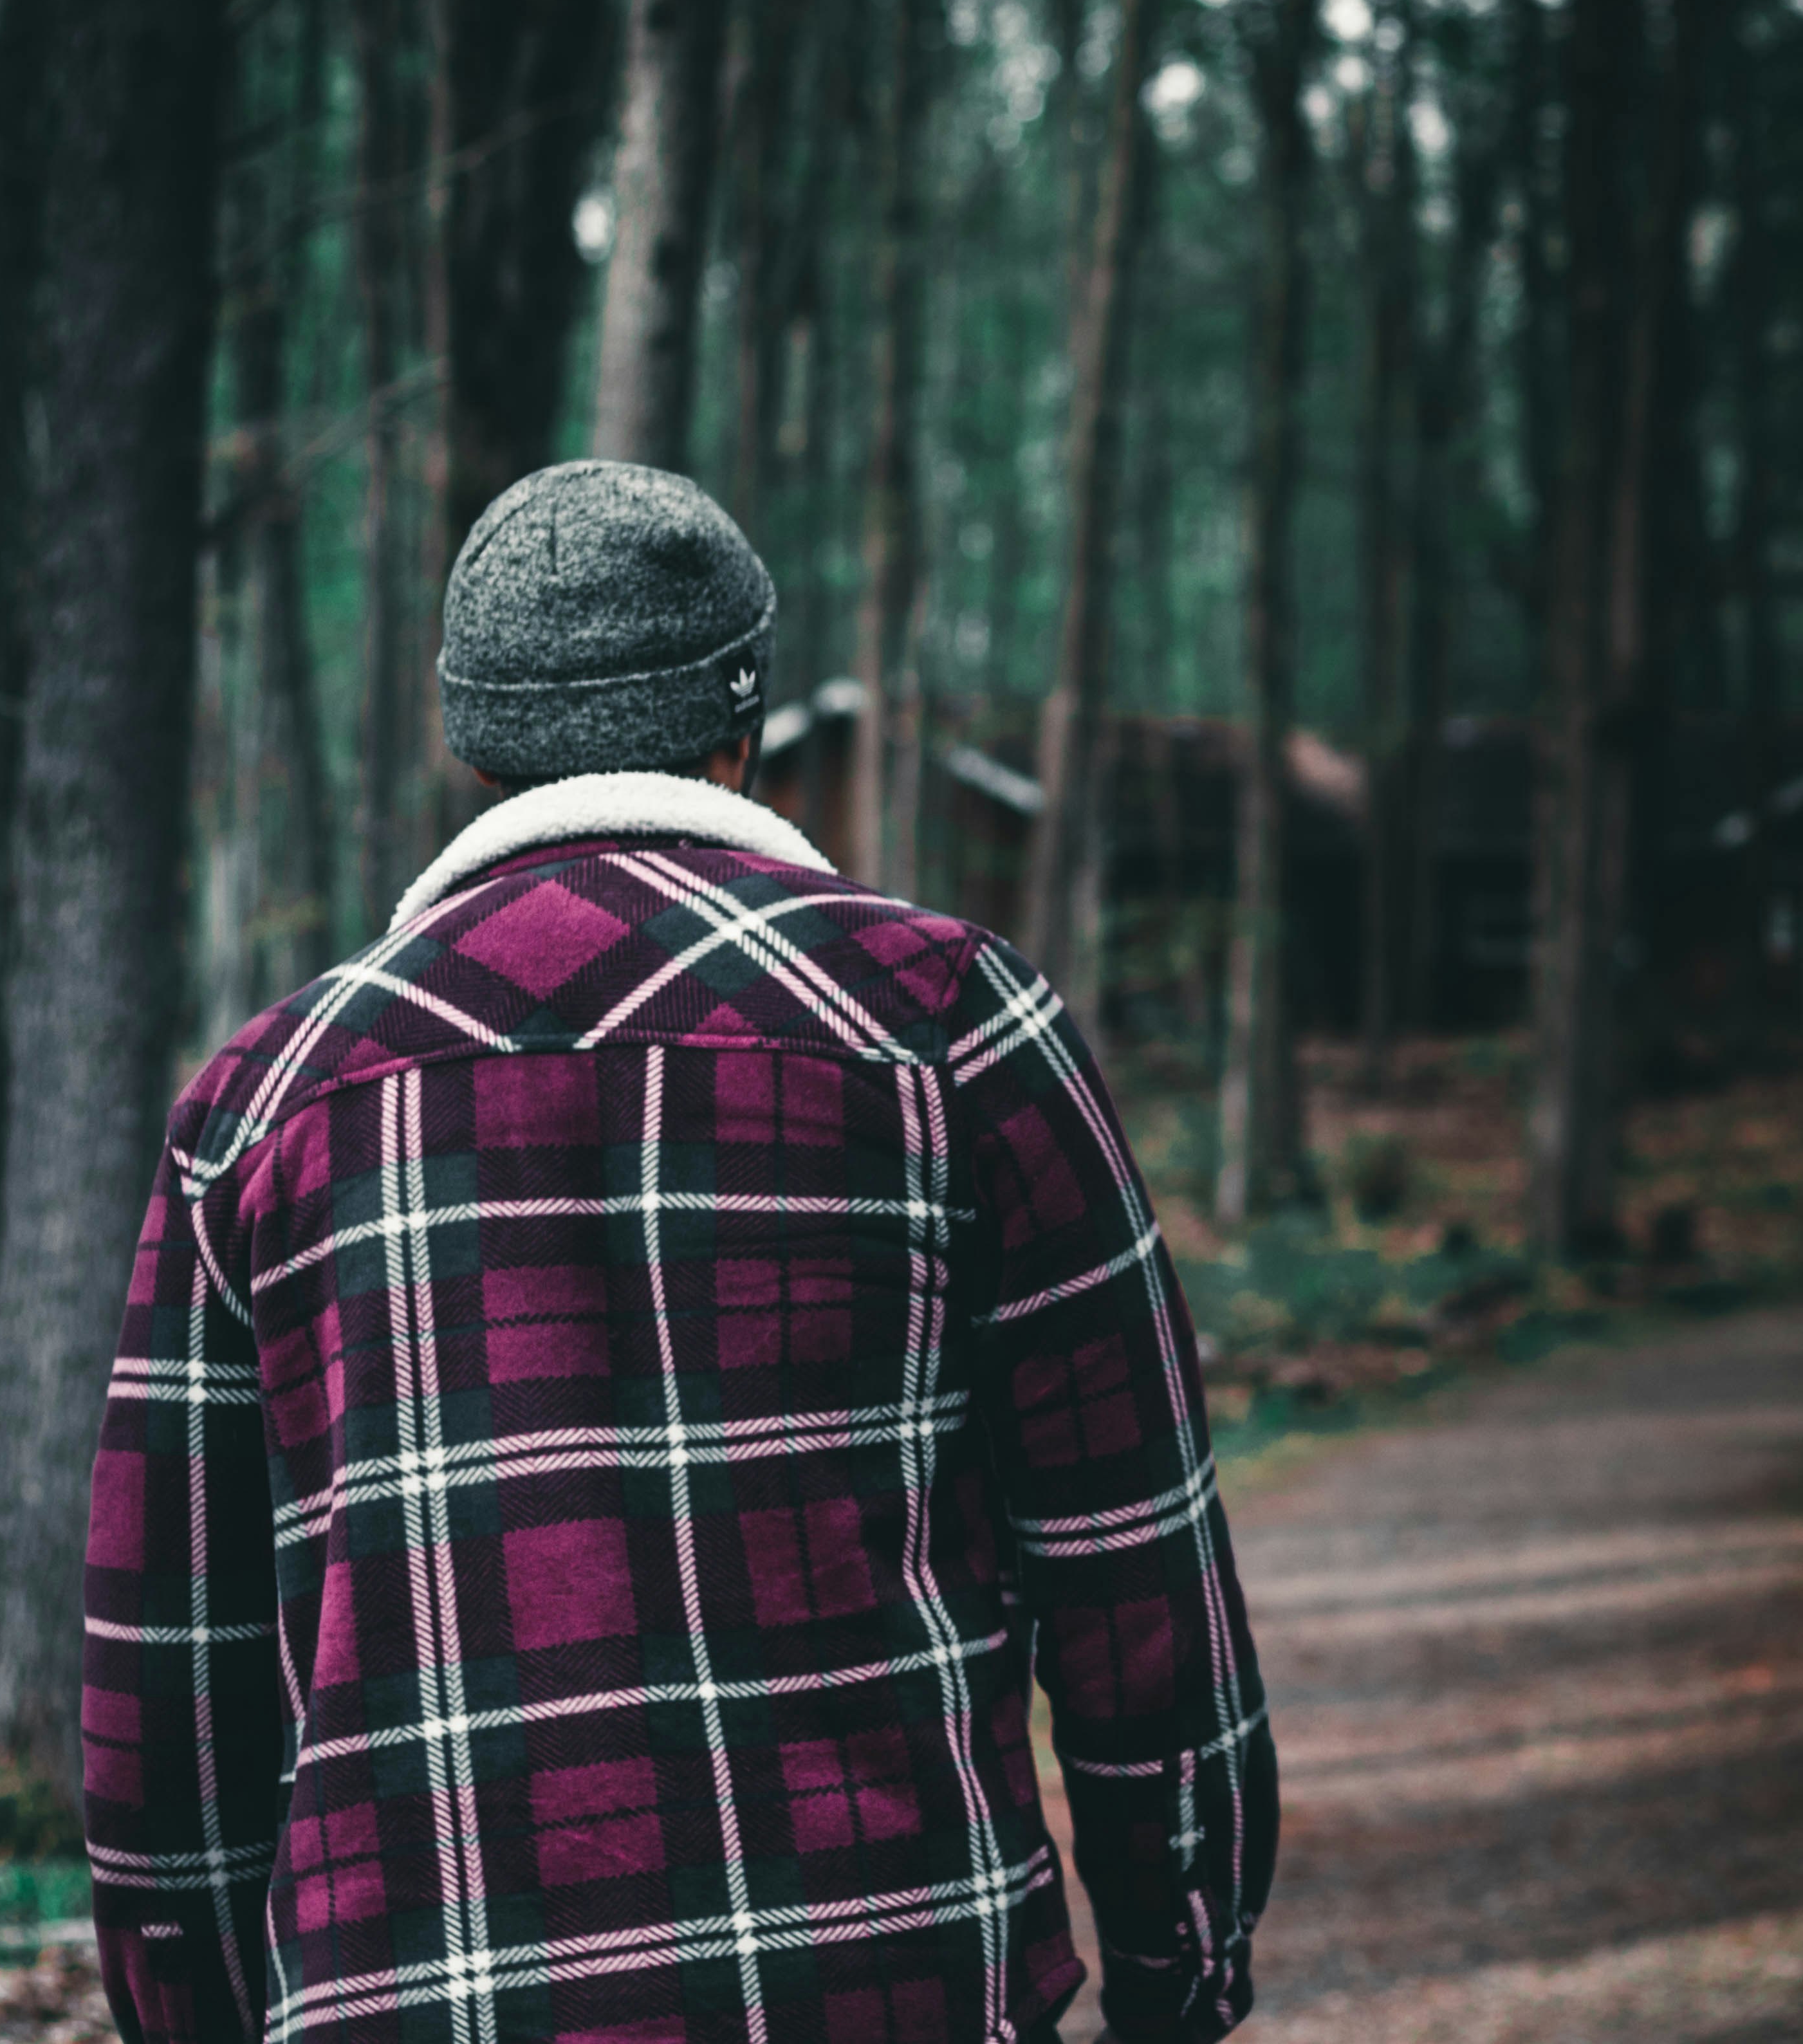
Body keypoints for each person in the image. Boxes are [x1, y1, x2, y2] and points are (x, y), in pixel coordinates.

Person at [84, 463, 1274, 2044]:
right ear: (746, 717)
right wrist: (1177, 1977)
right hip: (886, 1989)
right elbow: (1140, 1580)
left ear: (472, 742)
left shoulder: (258, 1108)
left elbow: (172, 1695)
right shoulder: (951, 1027)